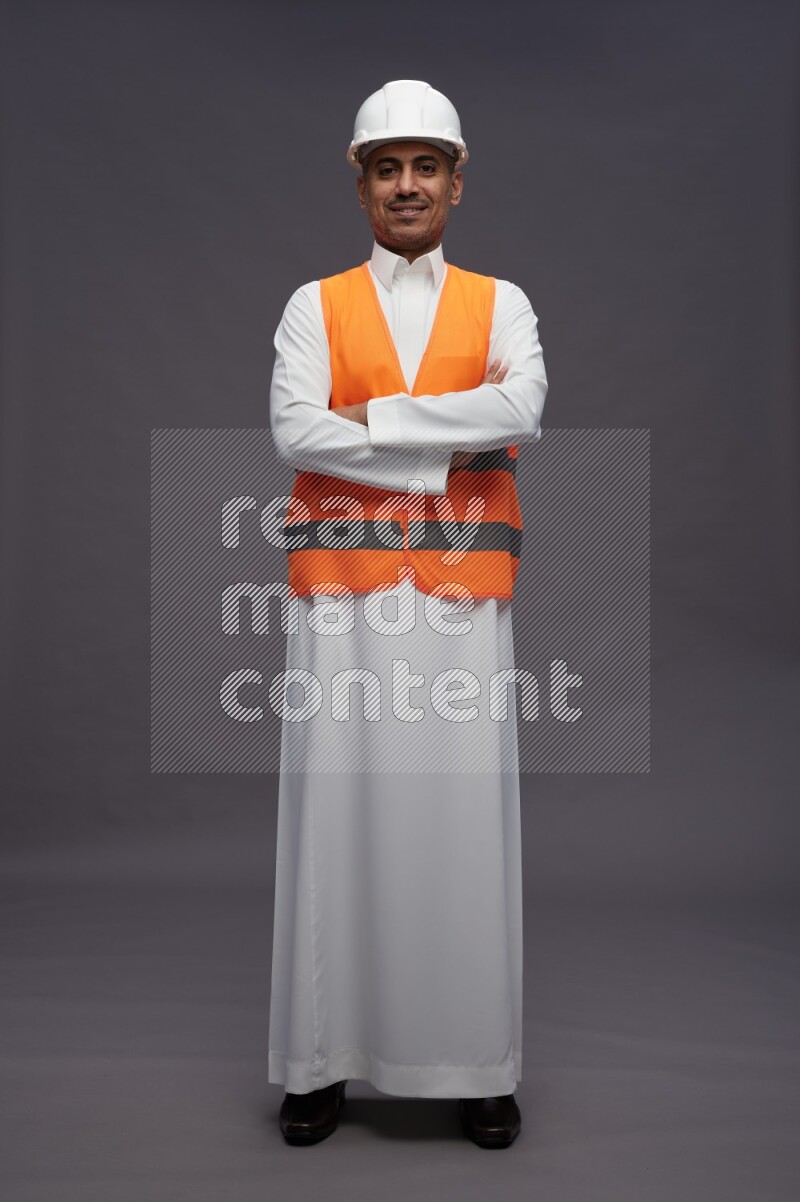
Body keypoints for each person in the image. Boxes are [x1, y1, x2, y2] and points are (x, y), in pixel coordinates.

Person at [267, 79, 548, 1148]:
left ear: (455, 183)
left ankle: (477, 1064)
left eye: (425, 166)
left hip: (463, 598)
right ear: (362, 186)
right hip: (341, 598)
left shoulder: (503, 302)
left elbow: (522, 408)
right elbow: (295, 432)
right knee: (333, 817)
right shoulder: (313, 304)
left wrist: (371, 421)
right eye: (387, 168)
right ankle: (319, 1062)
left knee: (463, 823)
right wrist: (444, 445)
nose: (406, 185)